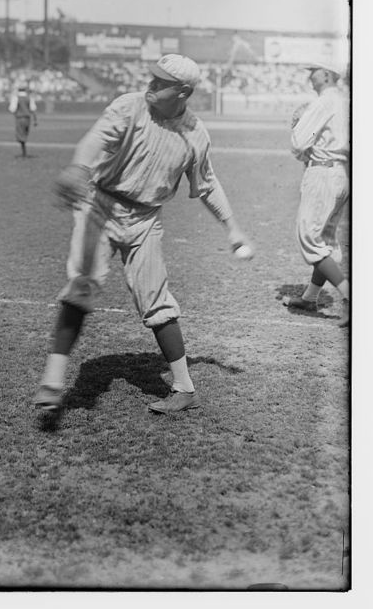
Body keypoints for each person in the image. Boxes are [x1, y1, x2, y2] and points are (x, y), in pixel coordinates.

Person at [34, 53, 253, 417]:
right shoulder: (129, 106)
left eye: (160, 81)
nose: (150, 84)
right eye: (151, 76)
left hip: (145, 219)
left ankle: (184, 389)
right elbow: (95, 140)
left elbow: (208, 185)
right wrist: (78, 166)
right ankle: (53, 382)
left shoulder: (195, 134)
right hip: (100, 205)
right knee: (83, 282)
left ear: (182, 91)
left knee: (157, 300)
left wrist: (232, 228)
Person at [283, 62, 349, 327]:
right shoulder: (344, 101)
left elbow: (299, 141)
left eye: (314, 72)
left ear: (326, 74)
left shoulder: (324, 101)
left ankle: (349, 296)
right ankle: (311, 297)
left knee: (310, 238)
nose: (310, 77)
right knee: (326, 240)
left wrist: (299, 127)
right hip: (340, 174)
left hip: (322, 173)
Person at [8, 82, 38, 157]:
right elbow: (33, 109)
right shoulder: (29, 98)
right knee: (24, 134)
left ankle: (24, 152)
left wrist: (16, 114)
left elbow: (12, 109)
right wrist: (35, 120)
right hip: (27, 118)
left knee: (20, 135)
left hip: (20, 118)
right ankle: (24, 152)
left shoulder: (16, 98)